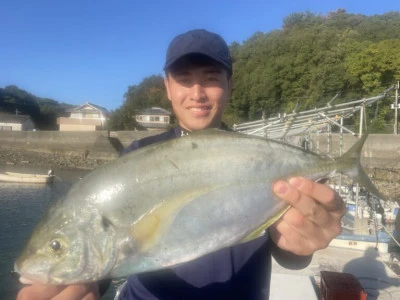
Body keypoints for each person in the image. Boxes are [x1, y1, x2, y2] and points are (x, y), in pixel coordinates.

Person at [17, 29, 345, 300]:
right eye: (184, 79)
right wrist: (88, 282)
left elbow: (287, 246)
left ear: (230, 84)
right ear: (168, 89)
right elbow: (118, 255)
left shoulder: (262, 159)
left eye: (211, 78)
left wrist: (304, 246)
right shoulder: (136, 156)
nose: (197, 92)